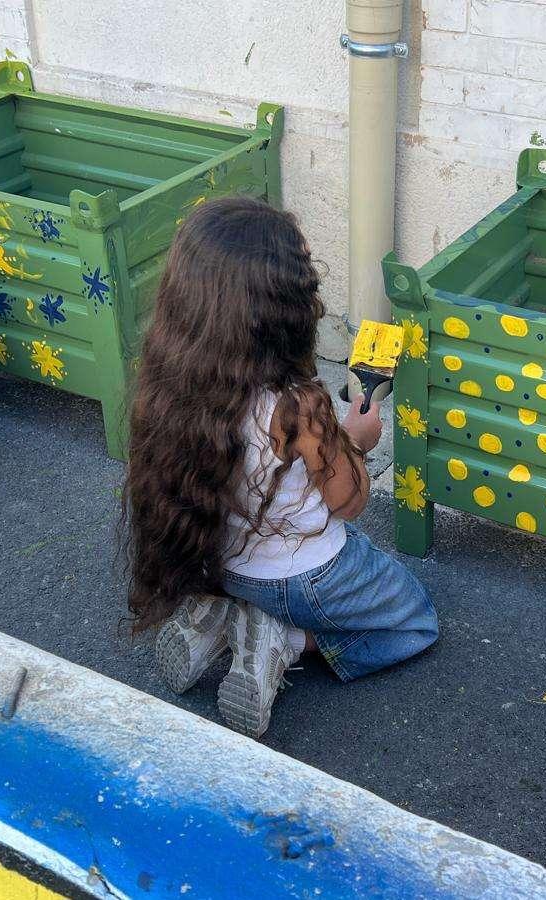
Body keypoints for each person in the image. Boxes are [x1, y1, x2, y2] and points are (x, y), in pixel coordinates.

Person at [123, 196, 437, 739]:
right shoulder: (300, 405)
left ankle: (224, 618)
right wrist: (356, 443)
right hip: (306, 576)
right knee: (413, 620)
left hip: (224, 564)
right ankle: (281, 641)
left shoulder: (171, 384)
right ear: (282, 312)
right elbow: (349, 502)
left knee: (266, 589)